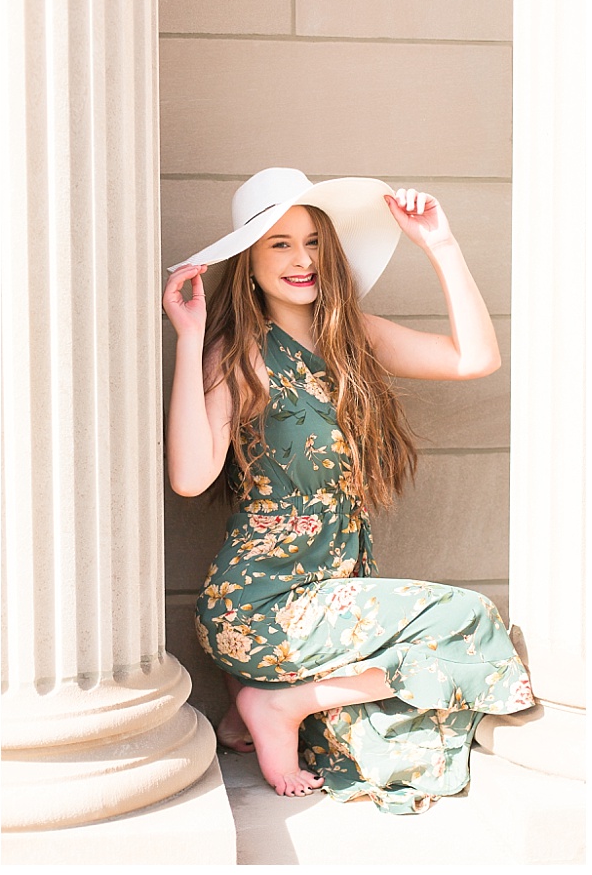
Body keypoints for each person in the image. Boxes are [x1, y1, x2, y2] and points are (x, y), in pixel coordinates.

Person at [163, 168, 534, 814]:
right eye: (279, 244)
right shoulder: (241, 351)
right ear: (248, 261)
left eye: (312, 240)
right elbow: (190, 478)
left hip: (333, 599)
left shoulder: (350, 336)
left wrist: (440, 245)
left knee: (400, 736)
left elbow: (473, 358)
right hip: (258, 606)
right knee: (466, 619)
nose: (302, 258)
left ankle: (258, 709)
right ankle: (278, 702)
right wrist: (190, 338)